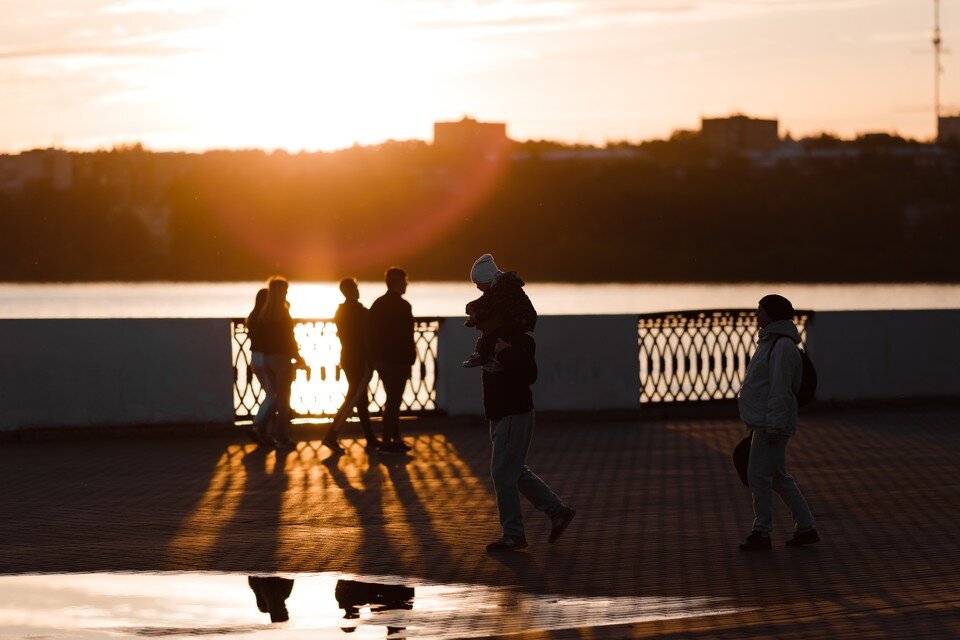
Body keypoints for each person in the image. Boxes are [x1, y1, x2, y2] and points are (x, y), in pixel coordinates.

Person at [480, 313, 576, 552]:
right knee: (514, 471)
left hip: (513, 414)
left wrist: (504, 353)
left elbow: (528, 375)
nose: (478, 326)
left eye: (480, 321)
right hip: (504, 414)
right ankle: (558, 512)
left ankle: (514, 534)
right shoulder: (492, 338)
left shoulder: (517, 342)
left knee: (503, 475)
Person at [737, 294, 818, 551]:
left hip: (769, 424)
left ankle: (762, 533)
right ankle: (806, 528)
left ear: (771, 314)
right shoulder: (771, 342)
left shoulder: (781, 346)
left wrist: (773, 426)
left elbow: (781, 390)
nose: (756, 315)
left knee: (758, 477)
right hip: (765, 421)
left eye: (760, 311)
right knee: (778, 477)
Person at [251, 276, 309, 450]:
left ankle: (261, 428)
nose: (286, 293)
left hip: (267, 358)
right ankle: (281, 437)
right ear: (282, 292)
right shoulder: (283, 313)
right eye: (285, 290)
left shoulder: (263, 314)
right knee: (283, 400)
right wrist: (299, 358)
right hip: (282, 359)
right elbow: (289, 339)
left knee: (274, 397)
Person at [323, 278, 379, 455]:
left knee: (360, 399)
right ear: (351, 290)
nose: (357, 290)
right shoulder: (360, 311)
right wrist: (371, 359)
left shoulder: (340, 311)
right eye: (355, 287)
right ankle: (331, 435)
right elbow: (367, 336)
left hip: (346, 357)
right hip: (359, 359)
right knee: (353, 398)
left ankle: (370, 440)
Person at [462, 253, 537, 373]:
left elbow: (494, 308)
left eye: (478, 283)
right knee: (492, 334)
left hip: (522, 318)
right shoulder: (494, 287)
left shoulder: (504, 287)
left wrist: (478, 317)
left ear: (486, 279)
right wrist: (472, 305)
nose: (477, 287)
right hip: (511, 316)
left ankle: (497, 359)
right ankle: (483, 355)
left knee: (503, 333)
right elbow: (485, 300)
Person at [368, 267, 415, 456]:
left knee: (391, 399)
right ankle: (389, 440)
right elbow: (407, 335)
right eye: (404, 281)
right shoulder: (404, 306)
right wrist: (411, 357)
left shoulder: (378, 304)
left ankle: (394, 438)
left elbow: (370, 332)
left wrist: (373, 357)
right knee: (394, 401)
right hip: (398, 360)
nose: (406, 284)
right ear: (397, 282)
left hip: (382, 360)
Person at [246, 288, 270, 444]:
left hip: (254, 358)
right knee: (273, 395)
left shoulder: (252, 317)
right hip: (264, 357)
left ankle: (265, 432)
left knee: (270, 394)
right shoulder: (265, 318)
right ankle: (257, 426)